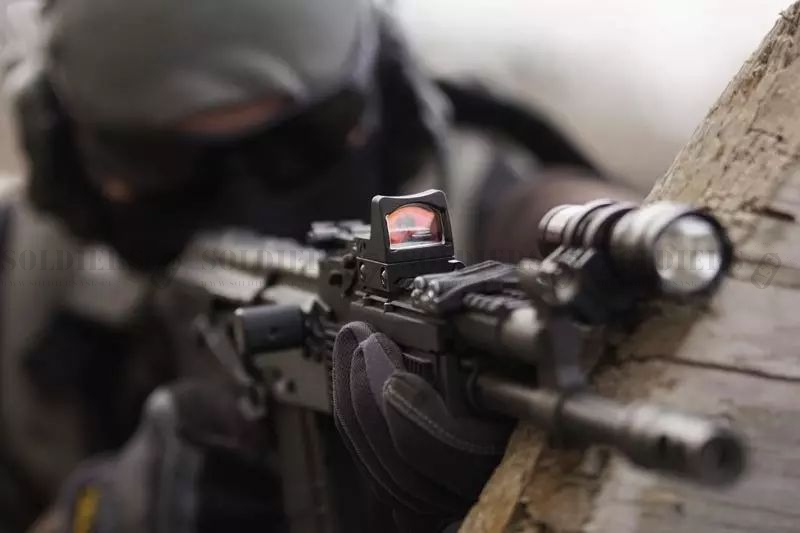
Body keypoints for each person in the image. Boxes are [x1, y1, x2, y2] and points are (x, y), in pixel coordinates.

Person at [0, 0, 639, 531]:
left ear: (382, 98)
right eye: (162, 165)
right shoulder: (21, 278)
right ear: (63, 158)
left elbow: (610, 248)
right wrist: (103, 515)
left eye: (302, 141)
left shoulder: (489, 211)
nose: (247, 202)